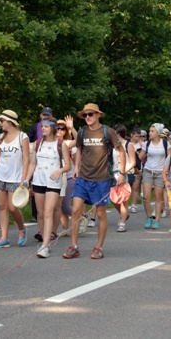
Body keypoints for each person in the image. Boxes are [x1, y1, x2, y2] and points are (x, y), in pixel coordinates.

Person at [62, 104, 125, 260]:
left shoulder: (107, 131)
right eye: (85, 115)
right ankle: (74, 246)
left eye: (90, 114)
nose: (88, 117)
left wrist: (122, 172)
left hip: (102, 178)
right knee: (76, 210)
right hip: (83, 177)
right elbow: (79, 151)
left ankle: (98, 247)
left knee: (101, 213)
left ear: (97, 115)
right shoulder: (82, 132)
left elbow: (121, 150)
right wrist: (76, 167)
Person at [25, 118, 71, 258]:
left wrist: (60, 170)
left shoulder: (60, 144)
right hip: (39, 180)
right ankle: (43, 235)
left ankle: (45, 245)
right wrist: (26, 179)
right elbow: (33, 163)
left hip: (54, 182)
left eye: (45, 127)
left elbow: (68, 165)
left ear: (52, 128)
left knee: (48, 212)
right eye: (41, 127)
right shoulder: (38, 143)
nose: (42, 129)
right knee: (40, 213)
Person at [0, 110, 29, 248]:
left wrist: (24, 179)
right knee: (2, 206)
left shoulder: (22, 137)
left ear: (10, 122)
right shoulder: (1, 137)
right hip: (0, 175)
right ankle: (4, 237)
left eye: (2, 121)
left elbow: (26, 159)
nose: (0, 123)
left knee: (12, 207)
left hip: (15, 176)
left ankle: (21, 229)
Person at [139, 123, 171, 230]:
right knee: (145, 196)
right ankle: (149, 217)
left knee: (158, 197)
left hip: (160, 173)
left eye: (152, 131)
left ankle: (157, 220)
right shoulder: (146, 144)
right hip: (148, 171)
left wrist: (168, 171)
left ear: (158, 133)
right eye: (149, 131)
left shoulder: (166, 144)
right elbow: (139, 157)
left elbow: (170, 158)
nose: (150, 133)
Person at [111, 125, 137, 232]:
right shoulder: (112, 146)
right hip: (114, 173)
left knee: (123, 199)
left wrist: (122, 173)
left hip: (126, 173)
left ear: (118, 134)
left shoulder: (128, 144)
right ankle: (123, 215)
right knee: (113, 198)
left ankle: (122, 222)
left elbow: (133, 162)